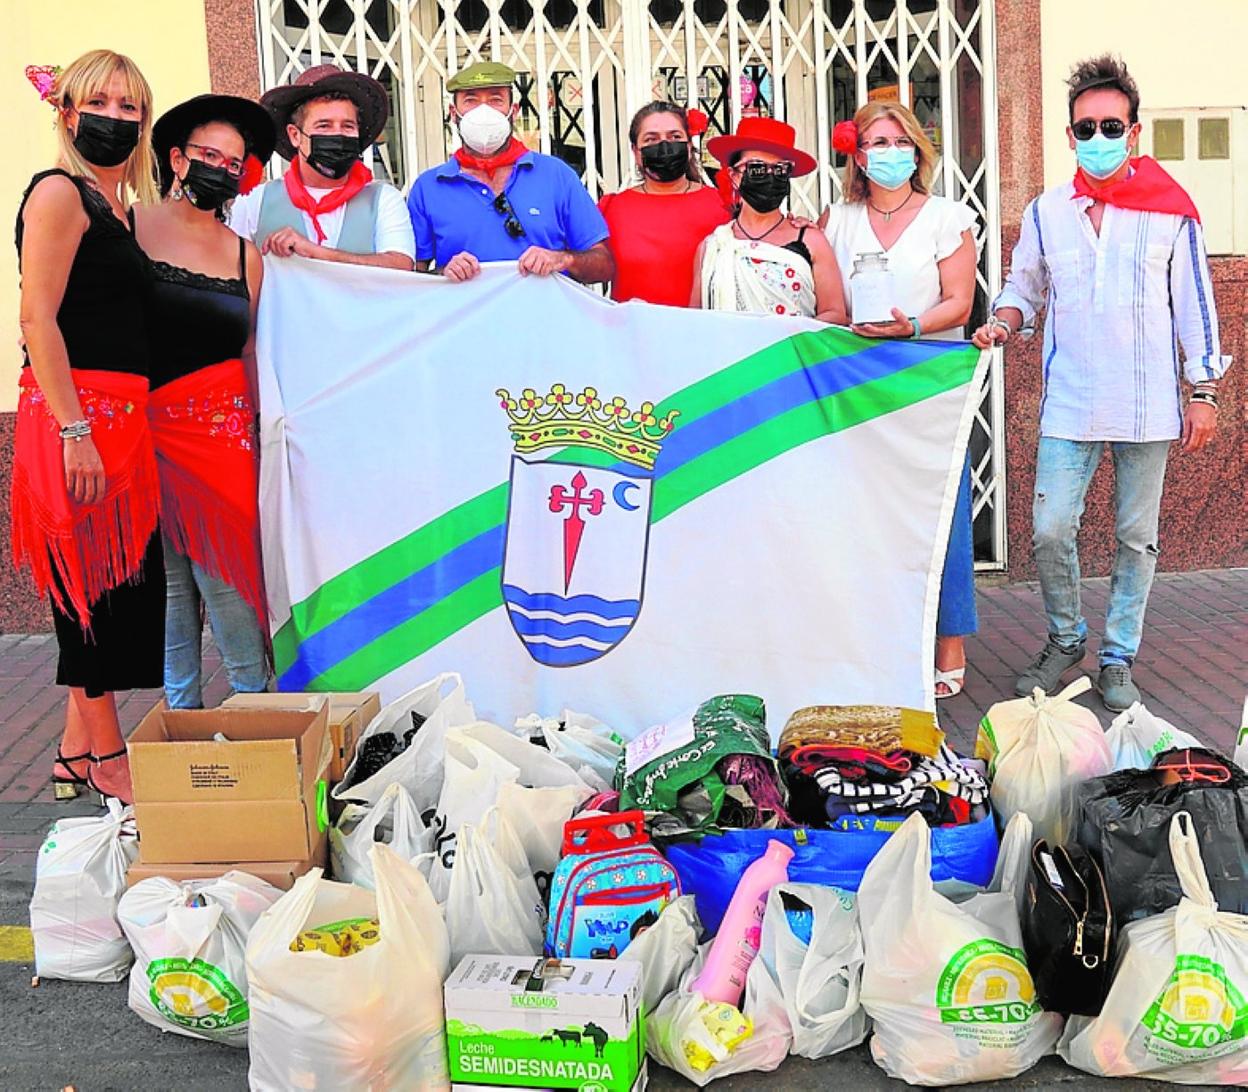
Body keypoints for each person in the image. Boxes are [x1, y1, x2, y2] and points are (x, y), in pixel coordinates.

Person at [972, 55, 1230, 711]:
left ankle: (1117, 657)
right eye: (1084, 128)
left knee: (1135, 539)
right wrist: (1002, 322)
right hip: (1071, 400)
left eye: (1110, 126)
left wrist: (1203, 391)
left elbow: (1195, 306)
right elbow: (1022, 288)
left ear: (1135, 132)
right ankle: (1065, 639)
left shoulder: (1170, 212)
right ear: (1068, 137)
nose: (1097, 139)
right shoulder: (1046, 211)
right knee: (1052, 530)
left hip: (1146, 403)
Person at [12, 51, 163, 804]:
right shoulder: (59, 194)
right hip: (77, 422)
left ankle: (73, 750)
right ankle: (106, 756)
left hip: (125, 425)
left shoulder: (122, 208)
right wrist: (76, 431)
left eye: (131, 105)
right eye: (100, 101)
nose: (117, 116)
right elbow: (37, 317)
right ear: (67, 113)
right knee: (89, 599)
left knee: (121, 591)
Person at [824, 102, 980, 701]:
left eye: (899, 141)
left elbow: (959, 302)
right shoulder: (836, 221)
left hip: (927, 377)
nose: (889, 152)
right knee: (867, 513)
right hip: (858, 383)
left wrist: (910, 325)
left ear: (918, 150)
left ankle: (950, 638)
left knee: (942, 512)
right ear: (857, 156)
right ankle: (877, 635)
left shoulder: (945, 217)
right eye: (876, 142)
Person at [135, 94, 276, 709]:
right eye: (208, 155)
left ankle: (256, 709)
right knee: (166, 588)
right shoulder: (129, 226)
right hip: (145, 431)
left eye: (234, 162)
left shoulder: (245, 254)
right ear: (176, 158)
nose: (221, 168)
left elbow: (248, 348)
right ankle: (178, 720)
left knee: (228, 582)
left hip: (221, 439)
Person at [405, 61, 613, 284]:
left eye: (496, 100)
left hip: (547, 318)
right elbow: (410, 280)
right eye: (470, 100)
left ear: (513, 111)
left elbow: (604, 266)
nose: (483, 111)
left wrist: (563, 259)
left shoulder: (556, 176)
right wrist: (443, 273)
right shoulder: (428, 188)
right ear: (453, 114)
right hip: (466, 319)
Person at [228, 65, 415, 269]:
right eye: (324, 126)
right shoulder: (256, 201)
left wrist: (316, 253)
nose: (338, 135)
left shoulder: (383, 200)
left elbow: (401, 267)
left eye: (348, 126)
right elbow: (231, 268)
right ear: (295, 135)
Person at [691, 117, 845, 322]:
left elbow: (835, 313)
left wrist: (787, 338)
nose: (769, 176)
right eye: (757, 168)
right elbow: (694, 318)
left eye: (780, 170)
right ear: (734, 176)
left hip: (791, 352)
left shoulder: (811, 241)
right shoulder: (713, 247)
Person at [598, 101, 728, 306]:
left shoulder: (723, 206)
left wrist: (796, 228)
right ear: (635, 151)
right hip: (631, 333)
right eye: (651, 139)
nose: (665, 145)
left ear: (689, 145)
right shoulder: (611, 209)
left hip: (703, 332)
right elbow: (580, 262)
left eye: (674, 137)